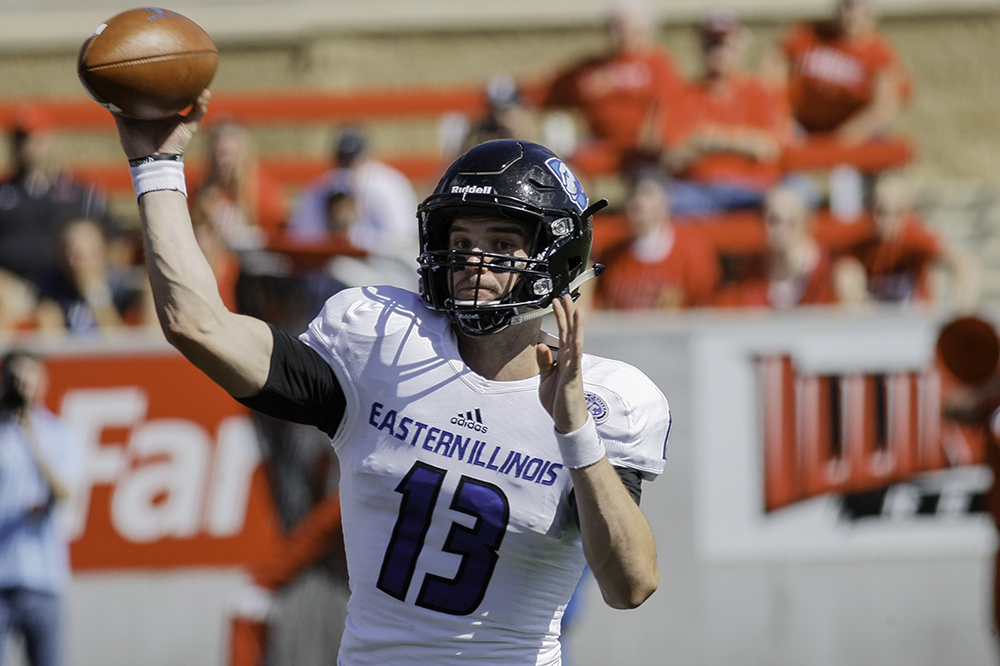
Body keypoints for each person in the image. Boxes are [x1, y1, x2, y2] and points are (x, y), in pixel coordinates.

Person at [113, 92, 669, 665]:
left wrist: (575, 431)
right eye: (461, 243)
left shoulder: (602, 402)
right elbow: (196, 324)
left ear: (555, 257)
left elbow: (630, 584)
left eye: (501, 245)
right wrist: (155, 163)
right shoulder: (383, 347)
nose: (475, 261)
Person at [661, 12, 791, 216]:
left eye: (724, 45)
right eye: (711, 45)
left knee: (786, 202)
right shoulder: (682, 95)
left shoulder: (761, 91)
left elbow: (767, 148)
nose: (718, 52)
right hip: (696, 190)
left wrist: (707, 141)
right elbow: (671, 157)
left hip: (752, 187)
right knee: (660, 202)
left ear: (740, 48)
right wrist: (739, 141)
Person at [0, 350, 82, 666]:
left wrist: (31, 439)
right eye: (14, 376)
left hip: (42, 575)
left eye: (28, 376)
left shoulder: (58, 434)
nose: (21, 384)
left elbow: (64, 492)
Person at [541, 0, 681, 170]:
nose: (620, 33)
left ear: (645, 29)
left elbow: (672, 106)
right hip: (598, 148)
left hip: (641, 152)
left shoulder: (658, 64)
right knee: (564, 172)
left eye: (626, 27)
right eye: (614, 26)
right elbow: (547, 91)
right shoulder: (591, 69)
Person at [0, 106, 124, 289]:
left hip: (71, 283)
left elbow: (115, 239)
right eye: (20, 139)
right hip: (14, 285)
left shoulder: (80, 194)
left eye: (33, 138)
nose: (27, 146)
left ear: (49, 140)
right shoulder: (4, 193)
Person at [286, 128, 419, 283]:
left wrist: (354, 242)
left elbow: (402, 241)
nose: (348, 165)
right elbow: (301, 239)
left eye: (352, 159)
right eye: (343, 159)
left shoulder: (387, 185)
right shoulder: (321, 187)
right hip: (328, 272)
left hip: (384, 272)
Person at [769, 0, 911, 143]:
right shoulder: (808, 34)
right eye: (848, 7)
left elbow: (882, 107)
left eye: (861, 11)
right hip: (803, 125)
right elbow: (773, 74)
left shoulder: (880, 54)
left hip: (851, 134)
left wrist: (838, 142)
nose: (852, 16)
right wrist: (783, 118)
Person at [846, 174, 979, 308]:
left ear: (905, 211)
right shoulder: (862, 240)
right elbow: (845, 271)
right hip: (878, 321)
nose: (885, 220)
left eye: (895, 211)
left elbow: (964, 264)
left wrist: (961, 310)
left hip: (915, 321)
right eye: (880, 211)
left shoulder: (916, 235)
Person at [594, 167, 720, 309]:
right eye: (633, 194)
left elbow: (702, 304)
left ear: (665, 201)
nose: (638, 201)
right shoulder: (611, 256)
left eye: (646, 194)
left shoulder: (692, 252)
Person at [714, 186, 840, 308]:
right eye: (774, 220)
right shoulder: (750, 271)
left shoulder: (831, 271)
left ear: (807, 222)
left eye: (791, 222)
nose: (781, 229)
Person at [34, 218, 153, 334]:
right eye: (69, 249)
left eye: (87, 252)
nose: (76, 260)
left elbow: (116, 340)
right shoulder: (52, 287)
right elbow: (50, 339)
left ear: (104, 249)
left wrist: (94, 291)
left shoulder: (123, 287)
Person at [190, 117, 287, 250]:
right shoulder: (202, 189)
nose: (222, 161)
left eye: (227, 154)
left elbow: (275, 233)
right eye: (218, 154)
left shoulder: (262, 189)